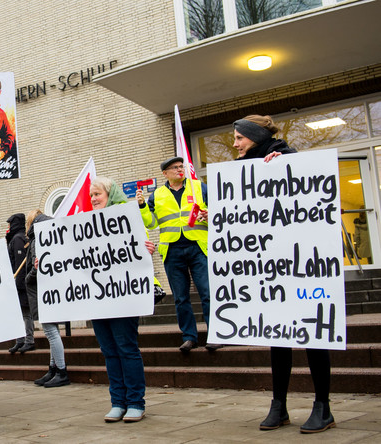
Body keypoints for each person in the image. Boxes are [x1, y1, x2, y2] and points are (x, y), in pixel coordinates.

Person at [233, 114, 333, 434]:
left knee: (314, 338)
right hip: (273, 270)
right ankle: (279, 406)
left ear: (255, 137)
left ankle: (323, 407)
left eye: (239, 138)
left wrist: (286, 166)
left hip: (304, 269)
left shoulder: (286, 157)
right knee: (278, 338)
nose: (234, 144)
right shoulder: (246, 171)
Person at [89, 177, 157, 423]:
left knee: (126, 349)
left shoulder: (128, 218)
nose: (94, 199)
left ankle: (136, 402)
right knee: (109, 351)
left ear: (110, 193)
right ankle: (117, 402)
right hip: (98, 299)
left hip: (124, 296)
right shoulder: (87, 224)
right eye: (91, 196)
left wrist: (145, 248)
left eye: (97, 194)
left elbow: (140, 245)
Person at [137, 157, 214, 352]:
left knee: (207, 293)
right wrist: (142, 206)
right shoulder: (158, 194)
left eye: (181, 167)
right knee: (180, 297)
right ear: (165, 173)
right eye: (175, 168)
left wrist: (209, 213)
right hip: (172, 250)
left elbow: (218, 211)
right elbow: (151, 223)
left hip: (198, 247)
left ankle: (215, 334)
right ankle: (189, 337)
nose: (180, 170)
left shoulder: (199, 187)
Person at [24, 210, 71, 389]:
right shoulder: (50, 232)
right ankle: (53, 369)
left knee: (51, 332)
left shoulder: (37, 237)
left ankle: (61, 370)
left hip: (42, 291)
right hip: (52, 290)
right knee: (53, 332)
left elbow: (39, 266)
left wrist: (28, 277)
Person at [6, 213, 34, 354]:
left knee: (25, 312)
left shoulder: (18, 239)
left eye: (10, 224)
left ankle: (28, 340)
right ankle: (20, 340)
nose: (8, 227)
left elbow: (19, 264)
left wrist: (18, 283)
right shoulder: (22, 237)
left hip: (20, 282)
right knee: (20, 312)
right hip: (21, 282)